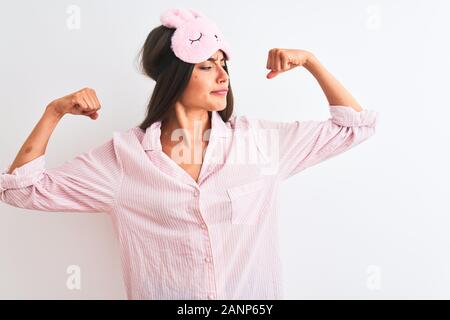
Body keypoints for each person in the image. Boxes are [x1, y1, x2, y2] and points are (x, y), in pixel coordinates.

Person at [0, 8, 379, 299]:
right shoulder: (123, 158)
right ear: (175, 77)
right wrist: (54, 113)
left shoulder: (259, 143)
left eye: (223, 64)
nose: (223, 76)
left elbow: (354, 128)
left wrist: (311, 61)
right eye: (206, 66)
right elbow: (20, 190)